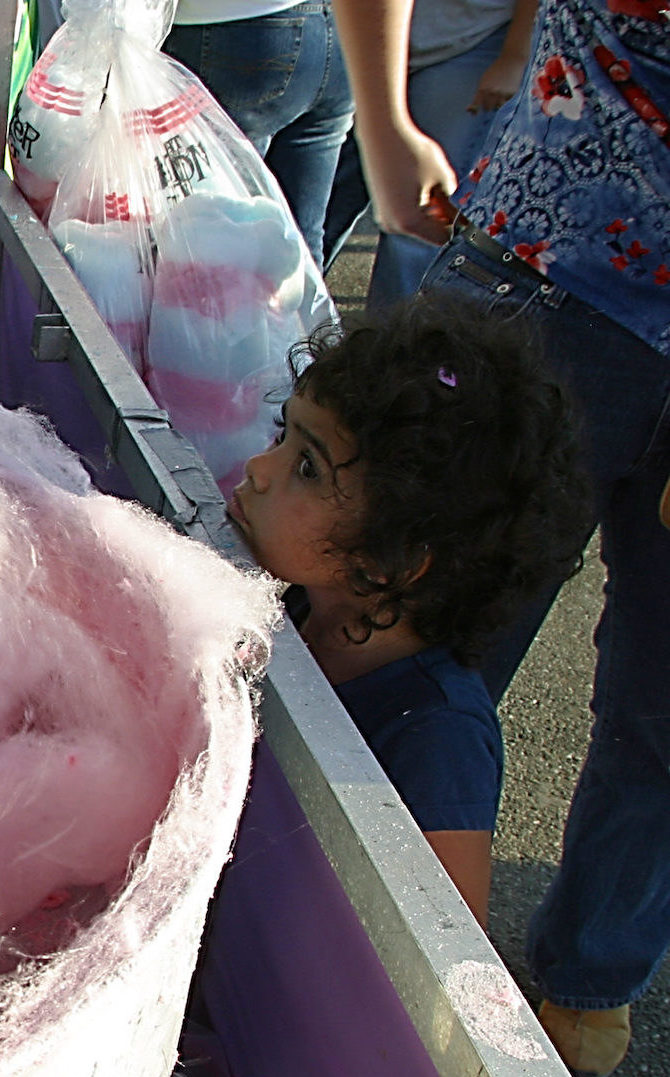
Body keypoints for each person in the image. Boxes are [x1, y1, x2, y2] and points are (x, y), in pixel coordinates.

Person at [384, 0, 670, 1077]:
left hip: (546, 282)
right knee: (416, 653)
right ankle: (326, 947)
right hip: (552, 272)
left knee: (659, 707)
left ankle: (585, 983)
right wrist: (380, 114)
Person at [224, 297, 591, 926]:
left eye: (307, 467)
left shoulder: (437, 741)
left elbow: (436, 967)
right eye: (283, 436)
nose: (259, 469)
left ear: (389, 562)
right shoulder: (298, 604)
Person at [320, 0, 539, 300]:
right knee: (316, 217)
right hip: (355, 42)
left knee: (418, 231)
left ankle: (393, 342)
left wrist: (515, 55)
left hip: (468, 43)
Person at [161, 0, 356, 265]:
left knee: (213, 230)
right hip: (337, 29)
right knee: (301, 240)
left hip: (238, 31)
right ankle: (303, 305)